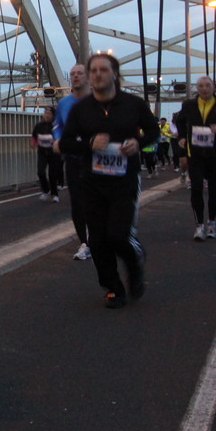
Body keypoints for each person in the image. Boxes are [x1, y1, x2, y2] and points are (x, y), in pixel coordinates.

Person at [57, 53, 159, 308]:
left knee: (117, 235)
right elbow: (66, 142)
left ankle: (134, 268)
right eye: (93, 70)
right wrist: (90, 143)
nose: (97, 74)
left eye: (103, 70)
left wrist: (138, 143)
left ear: (114, 74)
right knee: (97, 240)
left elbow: (154, 131)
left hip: (124, 180)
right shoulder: (81, 110)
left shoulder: (133, 104)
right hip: (92, 181)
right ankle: (113, 288)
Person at [173, 76, 216, 241]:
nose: (204, 89)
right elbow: (179, 121)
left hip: (215, 155)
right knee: (196, 188)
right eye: (200, 86)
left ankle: (211, 222)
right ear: (197, 88)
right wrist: (182, 137)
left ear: (214, 87)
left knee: (214, 190)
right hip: (195, 154)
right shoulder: (189, 105)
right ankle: (199, 225)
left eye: (207, 86)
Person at [52, 63, 92, 260]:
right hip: (73, 158)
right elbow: (57, 125)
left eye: (79, 73)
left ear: (88, 77)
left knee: (94, 200)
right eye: (73, 73)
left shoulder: (97, 101)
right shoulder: (64, 103)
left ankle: (98, 238)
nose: (75, 76)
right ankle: (85, 243)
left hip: (95, 159)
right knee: (77, 202)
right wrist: (58, 139)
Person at [30, 105, 62, 202]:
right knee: (40, 172)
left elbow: (61, 136)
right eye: (46, 113)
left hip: (53, 153)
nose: (47, 115)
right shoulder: (39, 126)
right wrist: (34, 143)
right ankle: (46, 190)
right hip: (42, 151)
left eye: (49, 113)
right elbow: (34, 135)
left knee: (52, 174)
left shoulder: (55, 126)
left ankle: (54, 194)